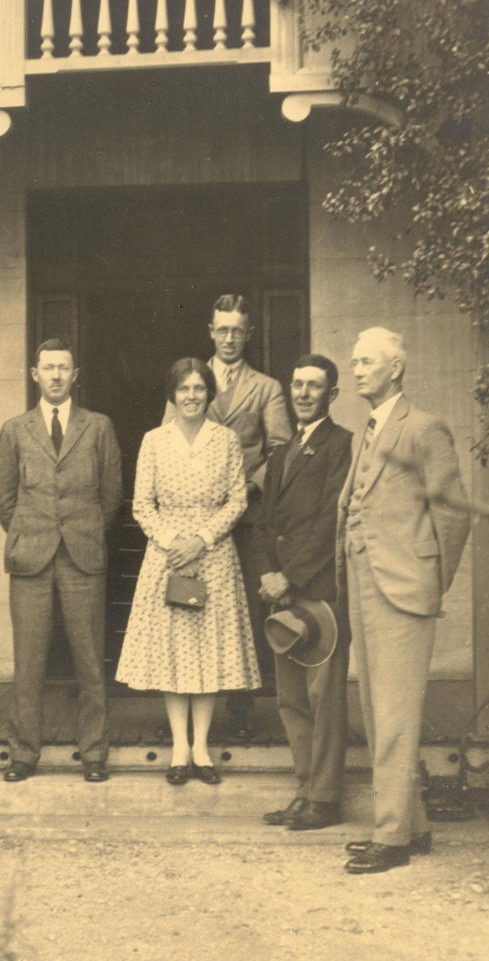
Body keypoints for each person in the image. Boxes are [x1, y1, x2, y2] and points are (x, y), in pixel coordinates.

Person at [337, 327, 470, 874]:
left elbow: (453, 513)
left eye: (366, 361)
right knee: (378, 714)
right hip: (365, 583)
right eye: (354, 361)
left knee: (394, 716)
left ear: (395, 368)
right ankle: (411, 826)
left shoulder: (424, 428)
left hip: (403, 588)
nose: (356, 369)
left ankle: (390, 838)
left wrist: (430, 582)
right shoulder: (365, 431)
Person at [117, 358, 261, 784]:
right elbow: (142, 504)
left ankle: (202, 748)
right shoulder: (154, 440)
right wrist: (173, 541)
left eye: (199, 388)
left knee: (207, 651)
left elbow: (237, 500)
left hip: (213, 557)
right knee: (174, 653)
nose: (192, 396)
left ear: (209, 394)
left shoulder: (226, 439)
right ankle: (180, 747)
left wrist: (201, 538)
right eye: (184, 389)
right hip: (168, 559)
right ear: (172, 394)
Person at [0, 338, 122, 783]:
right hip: (30, 558)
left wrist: (83, 530)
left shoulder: (98, 427)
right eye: (48, 368)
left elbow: (111, 494)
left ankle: (94, 753)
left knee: (90, 661)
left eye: (63, 368)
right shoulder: (15, 429)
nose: (55, 375)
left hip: (82, 557)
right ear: (35, 374)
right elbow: (3, 498)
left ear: (75, 375)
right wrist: (31, 533)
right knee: (28, 663)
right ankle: (23, 754)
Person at [163, 295, 291, 736]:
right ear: (211, 331)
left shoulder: (267, 388)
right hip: (192, 523)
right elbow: (166, 440)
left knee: (242, 613)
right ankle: (186, 710)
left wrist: (247, 487)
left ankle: (239, 708)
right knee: (186, 609)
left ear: (249, 333)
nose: (230, 338)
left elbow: (280, 451)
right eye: (222, 330)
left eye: (237, 330)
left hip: (245, 517)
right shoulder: (189, 381)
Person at [253, 354, 352, 830]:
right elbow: (264, 521)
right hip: (284, 594)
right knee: (291, 698)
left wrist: (289, 576)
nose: (303, 394)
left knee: (323, 698)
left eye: (314, 386)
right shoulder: (282, 452)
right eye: (297, 385)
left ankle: (326, 799)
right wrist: (269, 576)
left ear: (332, 394)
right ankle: (305, 789)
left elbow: (332, 519)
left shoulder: (342, 445)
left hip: (318, 592)